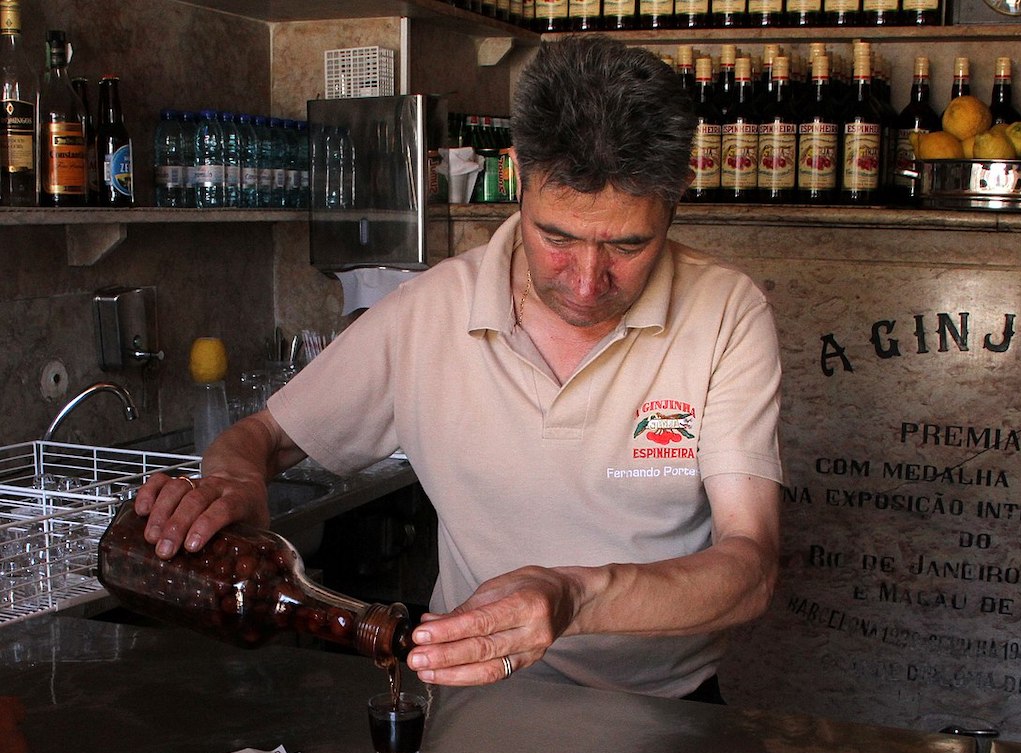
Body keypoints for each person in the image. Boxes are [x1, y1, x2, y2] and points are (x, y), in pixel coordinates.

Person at [134, 36, 783, 702]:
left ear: (675, 201)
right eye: (557, 238)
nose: (587, 283)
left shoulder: (725, 311)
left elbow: (751, 567)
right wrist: (234, 481)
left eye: (628, 245)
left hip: (669, 713)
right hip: (477, 703)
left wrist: (576, 598)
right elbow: (261, 438)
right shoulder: (431, 311)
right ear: (520, 182)